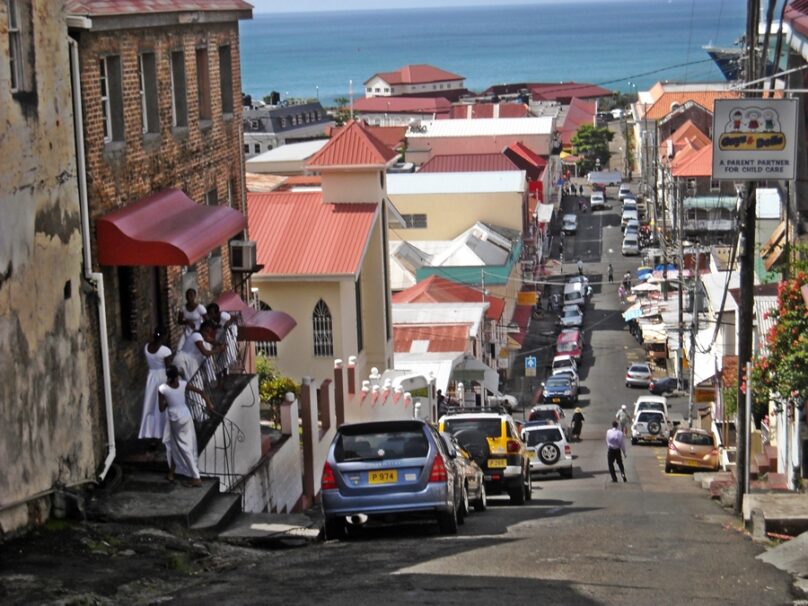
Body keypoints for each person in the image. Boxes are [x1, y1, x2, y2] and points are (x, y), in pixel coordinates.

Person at [158, 366, 213, 487]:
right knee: (178, 444)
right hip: (185, 415)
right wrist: (208, 403)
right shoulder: (183, 384)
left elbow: (161, 409)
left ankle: (195, 477)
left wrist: (168, 402)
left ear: (167, 376)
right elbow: (201, 392)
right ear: (177, 375)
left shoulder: (162, 389)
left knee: (183, 447)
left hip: (174, 418)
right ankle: (171, 473)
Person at [138, 328, 172, 440]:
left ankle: (150, 431)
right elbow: (168, 369)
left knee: (150, 404)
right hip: (162, 377)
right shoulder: (165, 351)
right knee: (162, 404)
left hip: (151, 377)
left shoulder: (147, 347)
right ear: (163, 337)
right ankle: (162, 430)